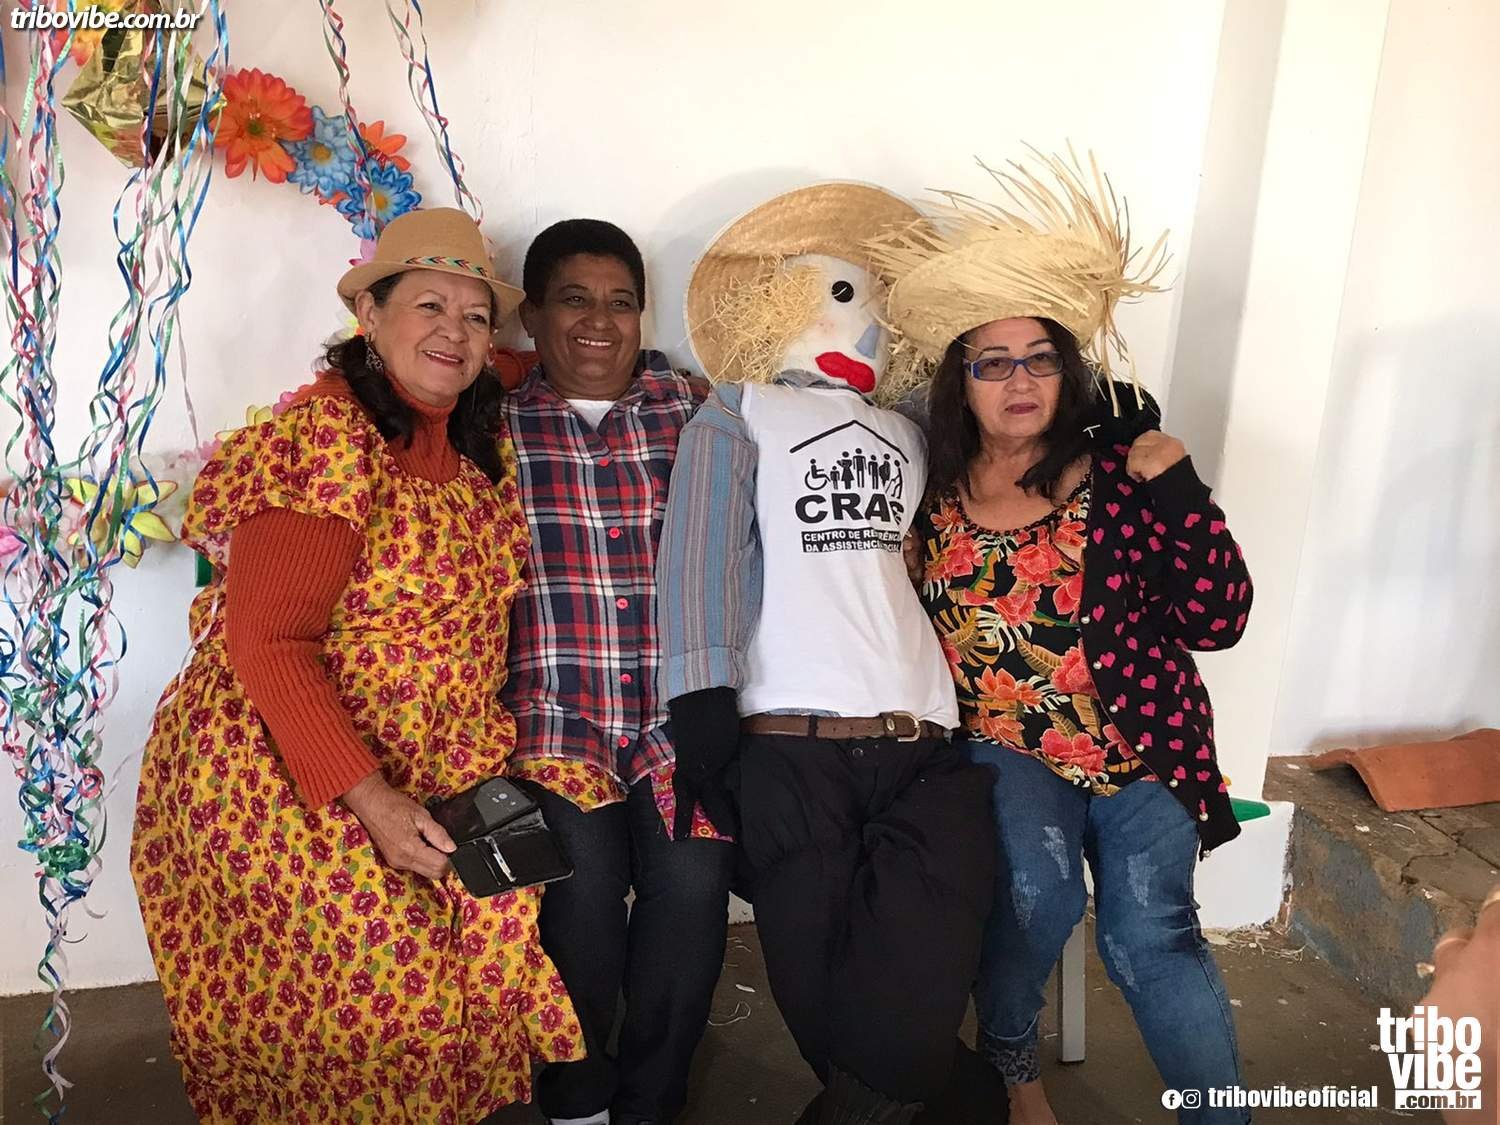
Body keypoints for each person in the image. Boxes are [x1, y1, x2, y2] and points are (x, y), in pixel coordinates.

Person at [129, 208, 583, 1123]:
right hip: (292, 772)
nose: (454, 332)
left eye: (475, 316)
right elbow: (270, 645)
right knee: (376, 1002)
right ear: (369, 317)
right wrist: (371, 800)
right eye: (429, 306)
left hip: (427, 758)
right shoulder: (327, 442)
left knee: (456, 990)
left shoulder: (463, 450)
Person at [869, 151, 1254, 1125]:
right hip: (1007, 744)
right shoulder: (924, 491)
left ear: (1067, 369)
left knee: (1149, 933)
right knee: (1038, 896)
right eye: (992, 361)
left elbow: (1219, 620)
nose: (1020, 379)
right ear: (959, 381)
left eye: (1039, 357)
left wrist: (1182, 492)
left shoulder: (1124, 474)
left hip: (1144, 741)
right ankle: (1012, 1064)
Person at [658, 183, 998, 1125]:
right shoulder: (741, 410)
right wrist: (701, 707)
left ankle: (937, 1098)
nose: (866, 322)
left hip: (923, 740)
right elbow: (700, 557)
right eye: (842, 295)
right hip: (790, 743)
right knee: (818, 1002)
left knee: (917, 975)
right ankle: (966, 1100)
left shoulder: (914, 431)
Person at [498, 219, 734, 1125]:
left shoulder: (698, 411)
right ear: (531, 314)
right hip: (555, 721)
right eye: (574, 299)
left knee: (694, 889)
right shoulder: (493, 426)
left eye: (621, 302)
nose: (599, 322)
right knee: (580, 898)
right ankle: (577, 1096)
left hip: (680, 721)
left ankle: (651, 1100)